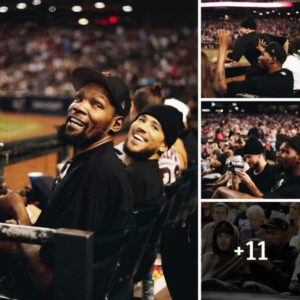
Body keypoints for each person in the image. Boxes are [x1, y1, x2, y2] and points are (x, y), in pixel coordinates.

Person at [0, 67, 134, 299]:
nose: (79, 106)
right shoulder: (97, 164)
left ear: (115, 124)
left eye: (96, 104)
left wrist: (18, 210)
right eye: (78, 98)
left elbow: (47, 280)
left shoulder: (95, 177)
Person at [122, 104, 183, 206]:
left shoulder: (135, 176)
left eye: (155, 127)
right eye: (142, 120)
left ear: (164, 146)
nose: (142, 127)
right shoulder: (152, 173)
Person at [215, 29, 294, 97]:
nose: (259, 57)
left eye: (262, 55)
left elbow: (222, 87)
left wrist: (222, 48)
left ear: (273, 60)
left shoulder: (260, 83)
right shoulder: (288, 75)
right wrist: (262, 49)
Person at [241, 217, 298, 293]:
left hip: (278, 294)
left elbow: (288, 285)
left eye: (273, 233)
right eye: (267, 233)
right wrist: (246, 263)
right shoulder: (261, 250)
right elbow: (247, 281)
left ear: (285, 235)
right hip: (255, 292)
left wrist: (268, 264)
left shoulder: (293, 253)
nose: (269, 237)